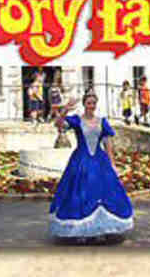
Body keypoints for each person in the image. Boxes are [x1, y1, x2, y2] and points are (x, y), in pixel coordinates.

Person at [50, 91, 134, 242]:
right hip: (81, 160)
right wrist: (65, 110)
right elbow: (58, 124)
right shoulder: (77, 120)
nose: (91, 106)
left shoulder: (102, 121)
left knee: (102, 193)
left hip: (99, 162)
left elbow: (107, 143)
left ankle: (100, 229)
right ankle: (80, 230)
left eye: (93, 103)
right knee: (80, 193)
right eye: (89, 103)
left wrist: (112, 163)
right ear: (84, 104)